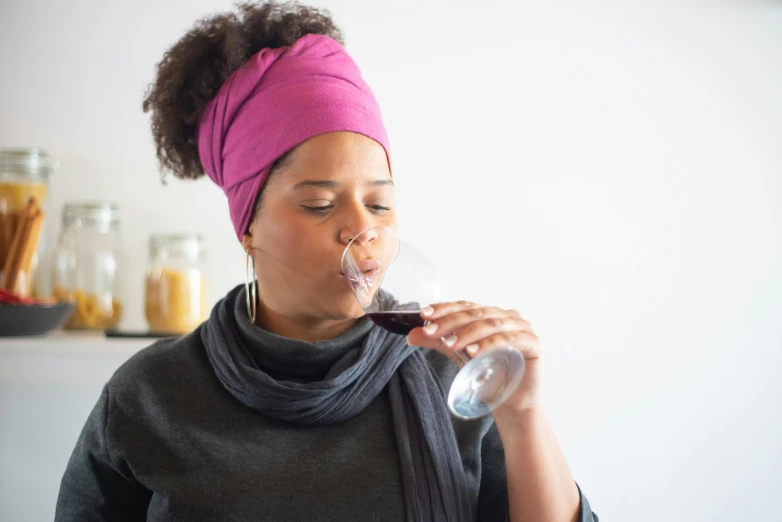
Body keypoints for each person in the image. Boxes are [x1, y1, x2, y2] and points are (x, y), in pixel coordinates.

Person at [55, 2, 598, 521]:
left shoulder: (457, 376)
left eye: (380, 204)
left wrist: (523, 416)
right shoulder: (150, 395)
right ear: (247, 228)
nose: (363, 230)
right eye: (319, 204)